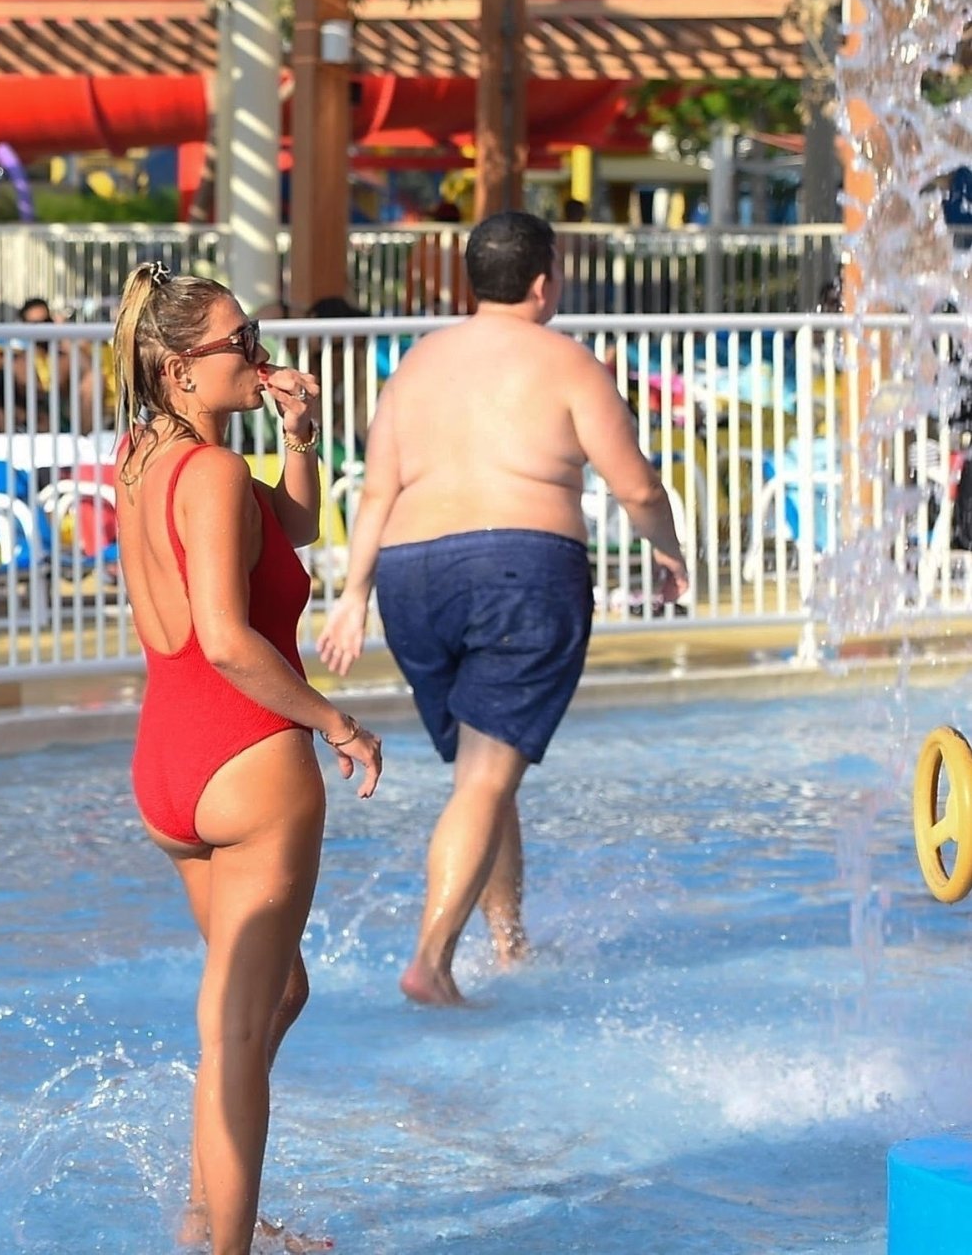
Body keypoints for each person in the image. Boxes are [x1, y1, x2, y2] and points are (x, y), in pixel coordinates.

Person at [317, 209, 689, 1007]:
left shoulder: (416, 364)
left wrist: (352, 596)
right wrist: (668, 549)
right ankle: (431, 962)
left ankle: (508, 942)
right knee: (486, 777)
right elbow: (635, 486)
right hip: (520, 570)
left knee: (485, 772)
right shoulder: (567, 362)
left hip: (411, 579)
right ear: (545, 282)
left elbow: (376, 490)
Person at [111, 260, 383, 1254]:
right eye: (241, 341)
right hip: (246, 759)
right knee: (235, 1026)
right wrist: (334, 721)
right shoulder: (214, 474)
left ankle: (209, 1209)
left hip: (167, 768)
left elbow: (289, 527)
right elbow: (228, 640)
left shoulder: (141, 455)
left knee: (272, 995)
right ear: (181, 367)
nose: (260, 354)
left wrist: (298, 435)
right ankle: (226, 1244)